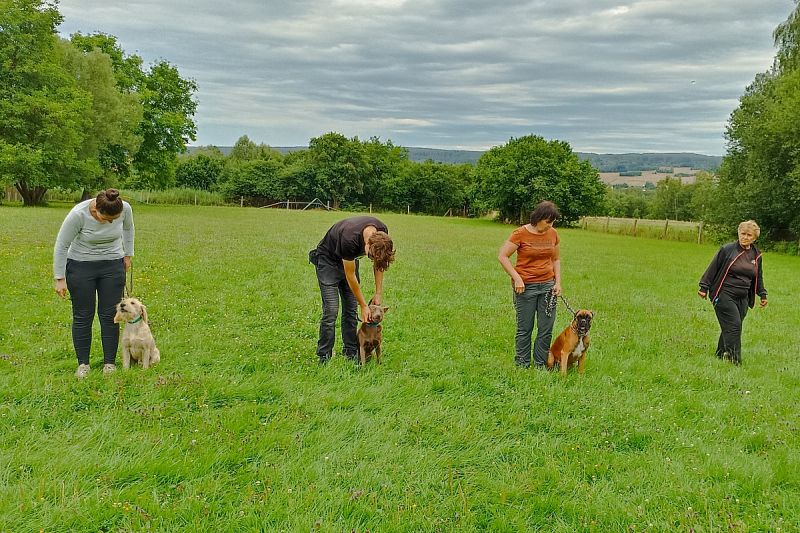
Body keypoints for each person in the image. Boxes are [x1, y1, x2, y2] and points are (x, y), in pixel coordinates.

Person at [53, 189, 134, 378]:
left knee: (110, 315)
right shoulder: (78, 214)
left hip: (113, 265)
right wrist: (59, 278)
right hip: (81, 267)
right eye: (106, 219)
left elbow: (128, 229)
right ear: (96, 209)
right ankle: (83, 364)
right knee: (83, 315)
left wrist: (128, 254)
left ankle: (109, 364)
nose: (110, 223)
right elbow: (62, 244)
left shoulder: (125, 209)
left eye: (114, 219)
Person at [309, 216, 395, 364]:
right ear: (367, 243)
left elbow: (379, 263)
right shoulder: (350, 238)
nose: (370, 259)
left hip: (349, 259)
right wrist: (363, 305)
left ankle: (350, 351)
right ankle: (324, 355)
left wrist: (378, 293)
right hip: (328, 261)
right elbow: (350, 276)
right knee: (331, 311)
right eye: (369, 256)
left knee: (350, 310)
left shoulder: (382, 234)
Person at [498, 201, 562, 368]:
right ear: (539, 218)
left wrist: (558, 283)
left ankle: (541, 364)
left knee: (545, 329)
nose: (550, 225)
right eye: (548, 222)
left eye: (553, 222)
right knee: (524, 328)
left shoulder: (553, 234)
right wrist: (517, 278)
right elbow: (503, 256)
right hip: (526, 287)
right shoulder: (520, 233)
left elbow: (556, 259)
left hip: (548, 286)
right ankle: (522, 364)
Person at [698, 219, 767, 366]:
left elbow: (758, 276)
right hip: (724, 293)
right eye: (743, 233)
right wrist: (704, 287)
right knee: (734, 325)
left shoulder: (756, 255)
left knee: (733, 326)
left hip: (743, 297)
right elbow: (713, 267)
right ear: (738, 233)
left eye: (749, 235)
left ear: (754, 238)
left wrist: (762, 294)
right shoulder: (728, 249)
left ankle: (719, 354)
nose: (745, 237)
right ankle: (735, 360)